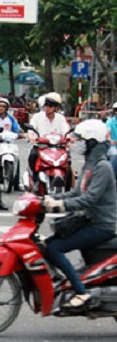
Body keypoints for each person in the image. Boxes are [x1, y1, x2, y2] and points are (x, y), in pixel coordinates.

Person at [42, 119, 116, 308]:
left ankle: (81, 292)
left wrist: (61, 205)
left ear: (92, 142)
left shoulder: (103, 168)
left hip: (102, 226)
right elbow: (76, 192)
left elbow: (89, 199)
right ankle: (63, 282)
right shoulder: (89, 166)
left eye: (82, 139)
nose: (79, 143)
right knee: (46, 244)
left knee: (55, 248)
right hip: (88, 220)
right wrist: (47, 198)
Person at [27, 92, 70, 183]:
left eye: (50, 105)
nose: (47, 107)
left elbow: (66, 132)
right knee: (33, 156)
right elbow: (31, 131)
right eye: (45, 105)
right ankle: (34, 180)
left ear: (56, 108)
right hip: (41, 147)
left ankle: (68, 185)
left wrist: (69, 138)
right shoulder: (37, 117)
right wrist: (32, 137)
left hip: (58, 148)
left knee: (68, 161)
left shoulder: (61, 118)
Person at [105, 101, 117, 179]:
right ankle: (110, 177)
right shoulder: (110, 122)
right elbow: (108, 133)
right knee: (115, 154)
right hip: (113, 146)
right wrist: (110, 140)